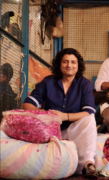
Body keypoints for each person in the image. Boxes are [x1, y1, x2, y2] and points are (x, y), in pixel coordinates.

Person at [22, 48, 97, 176]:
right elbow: (27, 105)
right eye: (65, 62)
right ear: (59, 64)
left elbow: (88, 112)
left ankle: (88, 164)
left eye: (73, 62)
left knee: (90, 119)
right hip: (49, 130)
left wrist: (64, 117)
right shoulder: (48, 82)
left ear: (78, 66)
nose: (69, 65)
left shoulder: (85, 83)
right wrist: (47, 116)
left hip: (74, 130)